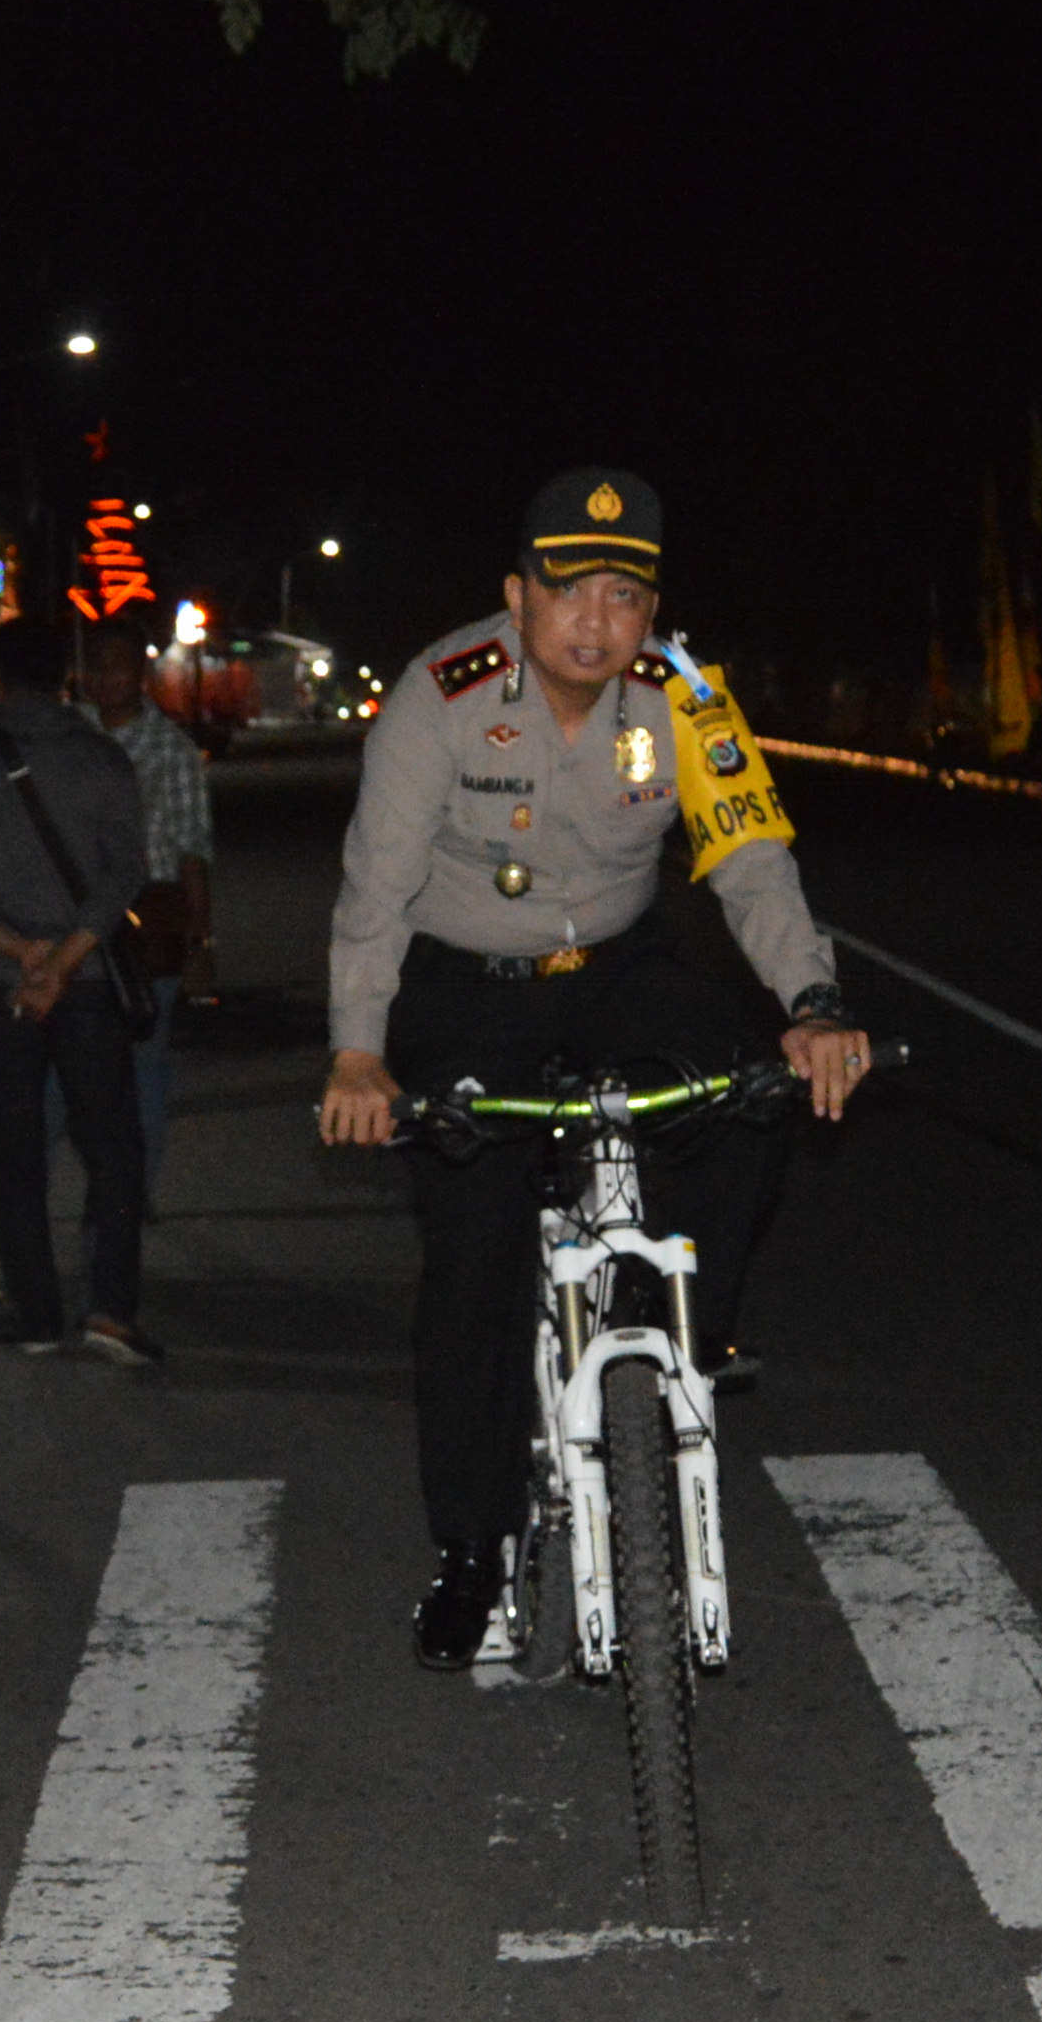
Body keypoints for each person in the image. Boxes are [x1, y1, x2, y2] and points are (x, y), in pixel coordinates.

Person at [313, 467, 874, 1669]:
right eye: (570, 591)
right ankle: (469, 1552)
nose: (595, 621)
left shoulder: (682, 694)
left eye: (624, 597)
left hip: (620, 965)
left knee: (749, 1093)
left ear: (650, 612)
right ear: (518, 595)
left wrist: (814, 1004)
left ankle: (684, 1330)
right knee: (473, 1253)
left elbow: (751, 860)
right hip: (467, 988)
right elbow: (379, 885)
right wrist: (359, 1054)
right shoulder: (441, 692)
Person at [0, 630, 157, 1364]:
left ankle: (38, 1313)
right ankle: (111, 1307)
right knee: (111, 1146)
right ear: (65, 679)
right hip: (85, 980)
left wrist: (23, 955)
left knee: (12, 1152)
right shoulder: (101, 756)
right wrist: (65, 955)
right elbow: (126, 874)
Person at [74, 611, 215, 1183]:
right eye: (96, 667)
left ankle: (137, 1186)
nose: (104, 679)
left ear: (140, 674)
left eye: (117, 667)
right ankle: (46, 1185)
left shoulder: (170, 750)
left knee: (144, 1058)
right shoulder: (70, 737)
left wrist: (200, 941)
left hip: (146, 921)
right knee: (70, 1062)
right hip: (74, 919)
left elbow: (192, 849)